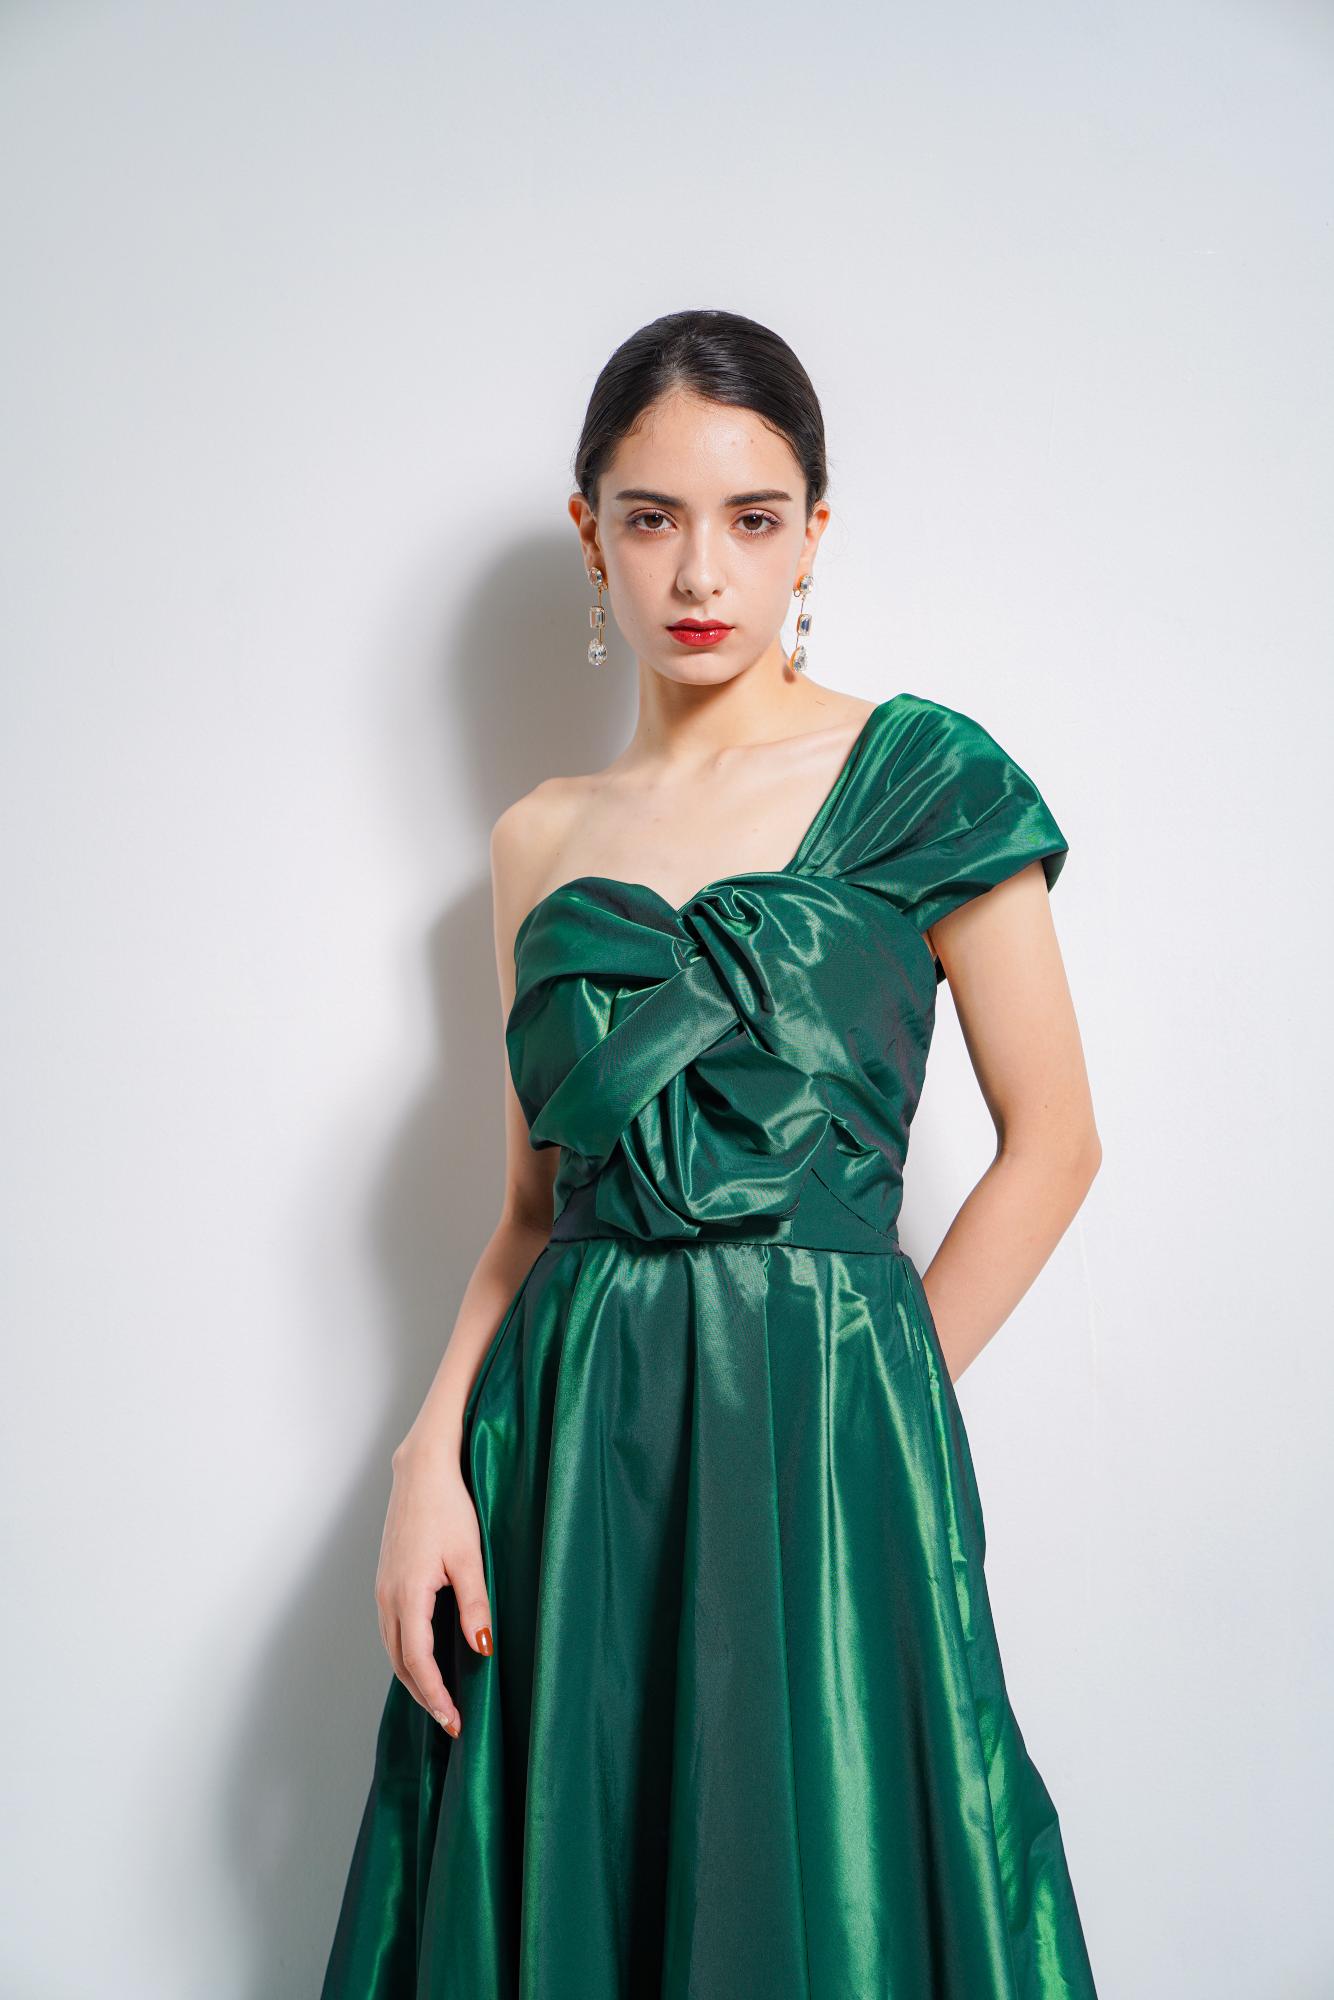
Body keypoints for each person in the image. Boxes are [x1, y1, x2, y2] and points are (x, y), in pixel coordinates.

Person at [320, 308, 1101, 1997]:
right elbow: (530, 1208)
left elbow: (1055, 1143)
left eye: (750, 520)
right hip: (569, 1442)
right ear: (588, 531)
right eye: (651, 516)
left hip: (824, 1433)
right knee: (580, 1861)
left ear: (812, 533)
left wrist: (876, 1394)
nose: (699, 571)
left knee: (833, 1864)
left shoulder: (921, 780)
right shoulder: (538, 838)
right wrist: (427, 1455)